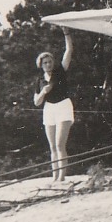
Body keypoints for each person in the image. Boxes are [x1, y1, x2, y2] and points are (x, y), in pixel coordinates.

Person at [34, 28, 75, 181]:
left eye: (50, 61)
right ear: (41, 65)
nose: (48, 64)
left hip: (63, 106)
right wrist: (43, 92)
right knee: (52, 147)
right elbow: (37, 102)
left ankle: (62, 178)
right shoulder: (40, 80)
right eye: (45, 62)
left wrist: (66, 33)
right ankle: (55, 177)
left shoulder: (60, 71)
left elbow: (69, 50)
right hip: (49, 109)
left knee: (59, 145)